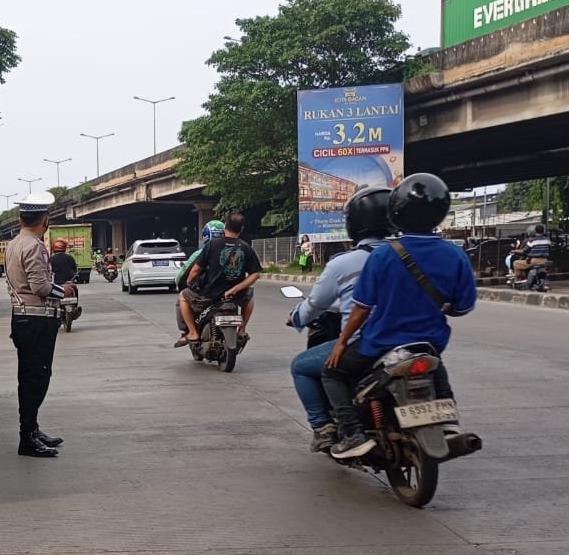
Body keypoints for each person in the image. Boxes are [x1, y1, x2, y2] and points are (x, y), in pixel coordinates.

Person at [322, 173, 477, 459]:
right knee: (435, 365)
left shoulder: (384, 255)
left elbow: (361, 308)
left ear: (397, 211)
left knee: (332, 372)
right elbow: (462, 307)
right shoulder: (455, 255)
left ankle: (352, 433)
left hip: (381, 341)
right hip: (430, 343)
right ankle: (447, 422)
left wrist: (341, 342)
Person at [287, 186, 393, 452]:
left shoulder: (344, 263)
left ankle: (331, 428)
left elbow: (317, 304)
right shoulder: (407, 256)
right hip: (412, 340)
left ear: (354, 224)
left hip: (367, 342)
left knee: (303, 366)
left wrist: (297, 317)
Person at [4, 191, 65, 459]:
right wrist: (65, 291)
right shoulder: (34, 246)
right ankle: (27, 436)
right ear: (45, 219)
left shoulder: (14, 243)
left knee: (28, 377)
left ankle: (31, 428)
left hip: (23, 317)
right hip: (37, 319)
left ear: (20, 218)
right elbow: (40, 287)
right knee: (37, 378)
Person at [175, 214, 261, 349]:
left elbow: (196, 269)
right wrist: (235, 289)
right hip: (235, 296)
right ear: (241, 229)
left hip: (209, 295)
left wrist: (190, 283)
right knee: (249, 296)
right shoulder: (246, 247)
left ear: (225, 226)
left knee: (183, 296)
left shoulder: (212, 245)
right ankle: (242, 329)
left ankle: (192, 332)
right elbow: (255, 274)